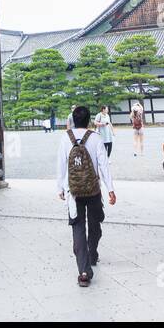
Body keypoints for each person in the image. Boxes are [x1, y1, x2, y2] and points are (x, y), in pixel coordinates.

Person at [56, 104, 116, 287]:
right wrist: (111, 189)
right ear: (89, 120)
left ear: (73, 120)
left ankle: (83, 271)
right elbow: (104, 165)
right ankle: (93, 253)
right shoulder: (96, 138)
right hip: (93, 189)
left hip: (73, 191)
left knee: (78, 227)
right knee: (96, 221)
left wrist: (60, 188)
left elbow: (61, 164)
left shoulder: (66, 138)